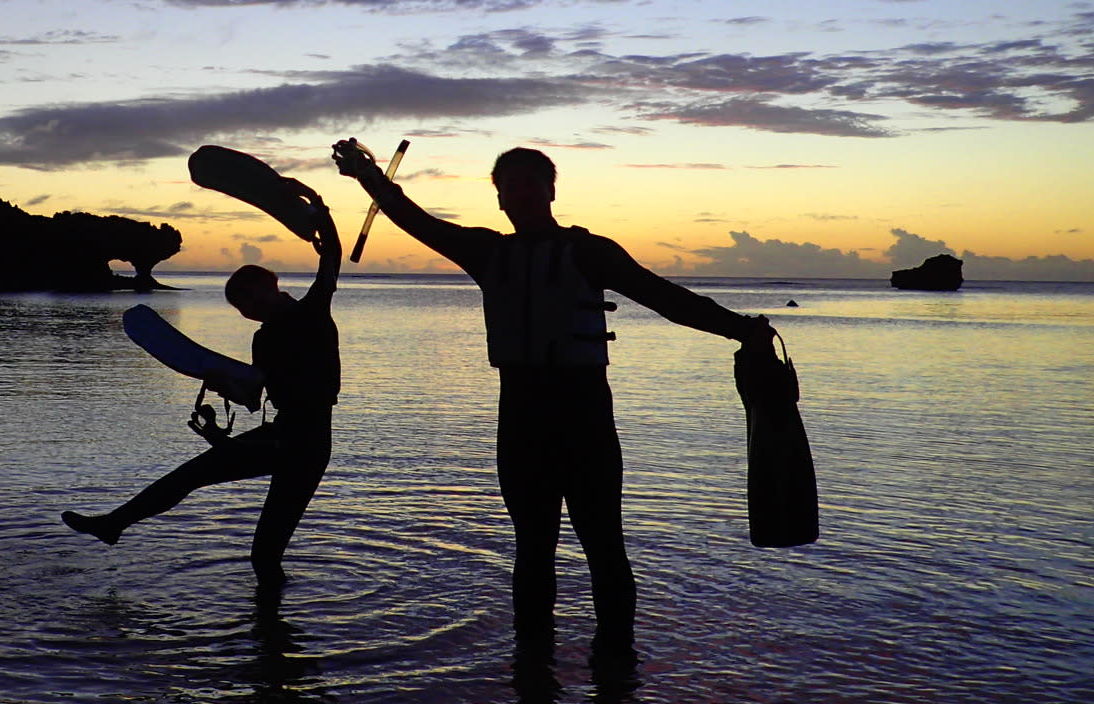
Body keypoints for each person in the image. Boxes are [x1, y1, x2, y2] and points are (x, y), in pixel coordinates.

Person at [331, 139, 773, 655]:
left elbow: (667, 299)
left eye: (528, 183)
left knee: (603, 543)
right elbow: (416, 219)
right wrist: (368, 177)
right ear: (497, 198)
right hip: (520, 417)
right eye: (507, 187)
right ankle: (532, 675)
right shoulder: (487, 251)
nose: (517, 194)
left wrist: (741, 329)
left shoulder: (589, 251)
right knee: (532, 547)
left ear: (551, 191)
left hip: (584, 414)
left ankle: (615, 671)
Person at [63, 186, 342, 589]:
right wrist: (220, 397)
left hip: (309, 441)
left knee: (264, 553)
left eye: (246, 302)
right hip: (280, 434)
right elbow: (254, 395)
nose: (245, 313)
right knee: (188, 476)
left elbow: (330, 258)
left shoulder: (312, 311)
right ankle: (114, 524)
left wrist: (322, 216)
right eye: (239, 309)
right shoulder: (262, 339)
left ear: (269, 286)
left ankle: (275, 636)